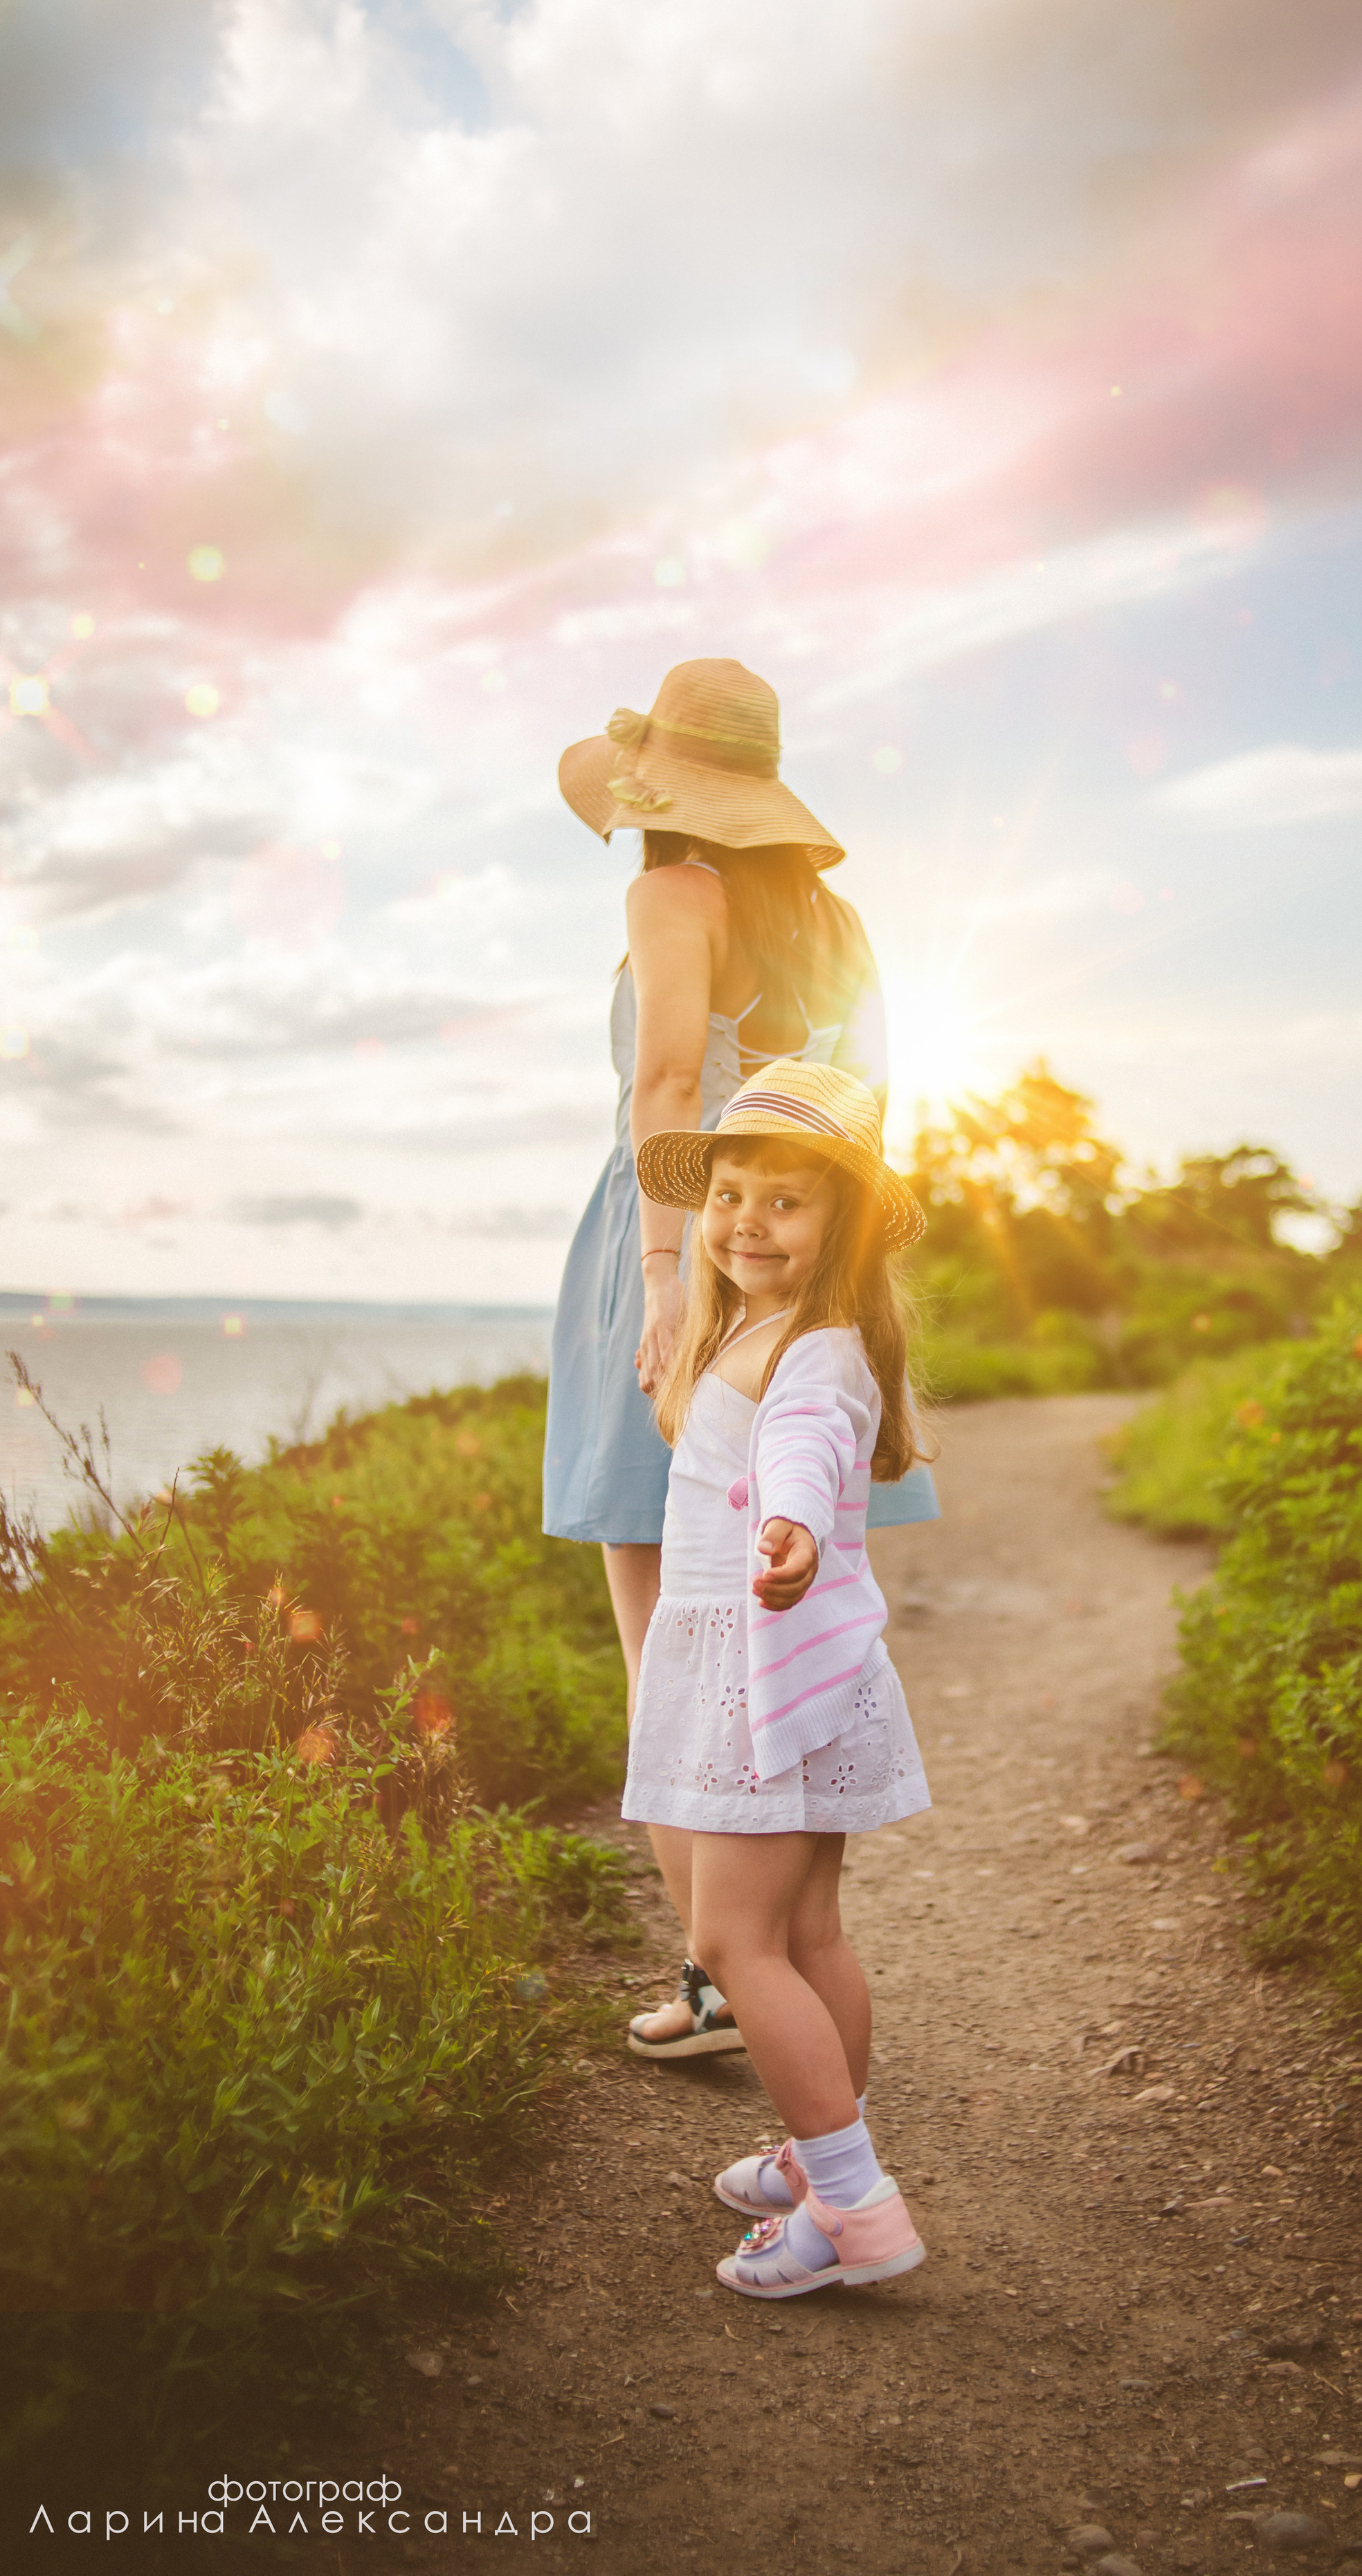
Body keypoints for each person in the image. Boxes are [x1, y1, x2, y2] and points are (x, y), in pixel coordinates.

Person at [543, 657, 938, 2059]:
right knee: (775, 1626)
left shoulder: (670, 895)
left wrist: (666, 1281)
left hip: (678, 1242)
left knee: (664, 1648)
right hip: (813, 1269)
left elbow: (662, 1089)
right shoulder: (835, 925)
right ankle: (779, 1946)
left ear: (663, 793)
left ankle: (725, 1975)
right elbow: (868, 1114)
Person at [624, 1056, 932, 2296]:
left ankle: (852, 2209)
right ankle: (819, 2164)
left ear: (839, 1226)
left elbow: (805, 1447)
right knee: (806, 1934)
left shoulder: (814, 1350)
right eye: (731, 1194)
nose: (748, 1220)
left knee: (732, 1941)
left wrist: (793, 1529)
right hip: (795, 1668)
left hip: (760, 1666)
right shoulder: (752, 1328)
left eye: (785, 1201)